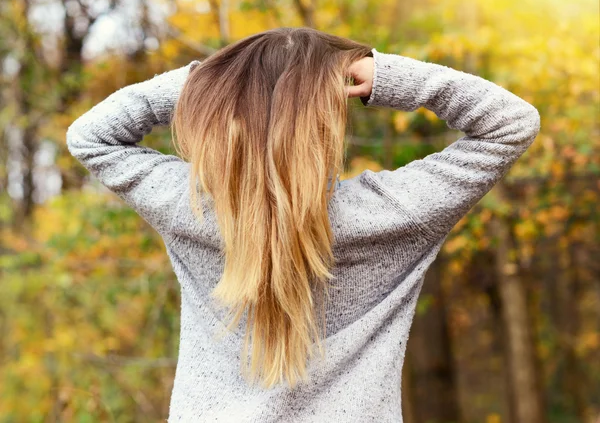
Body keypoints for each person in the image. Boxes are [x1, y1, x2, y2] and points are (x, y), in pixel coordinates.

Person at [66, 26, 541, 422]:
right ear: (329, 120)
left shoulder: (191, 209)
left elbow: (91, 136)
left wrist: (204, 81)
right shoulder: (391, 216)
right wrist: (388, 76)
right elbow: (510, 123)